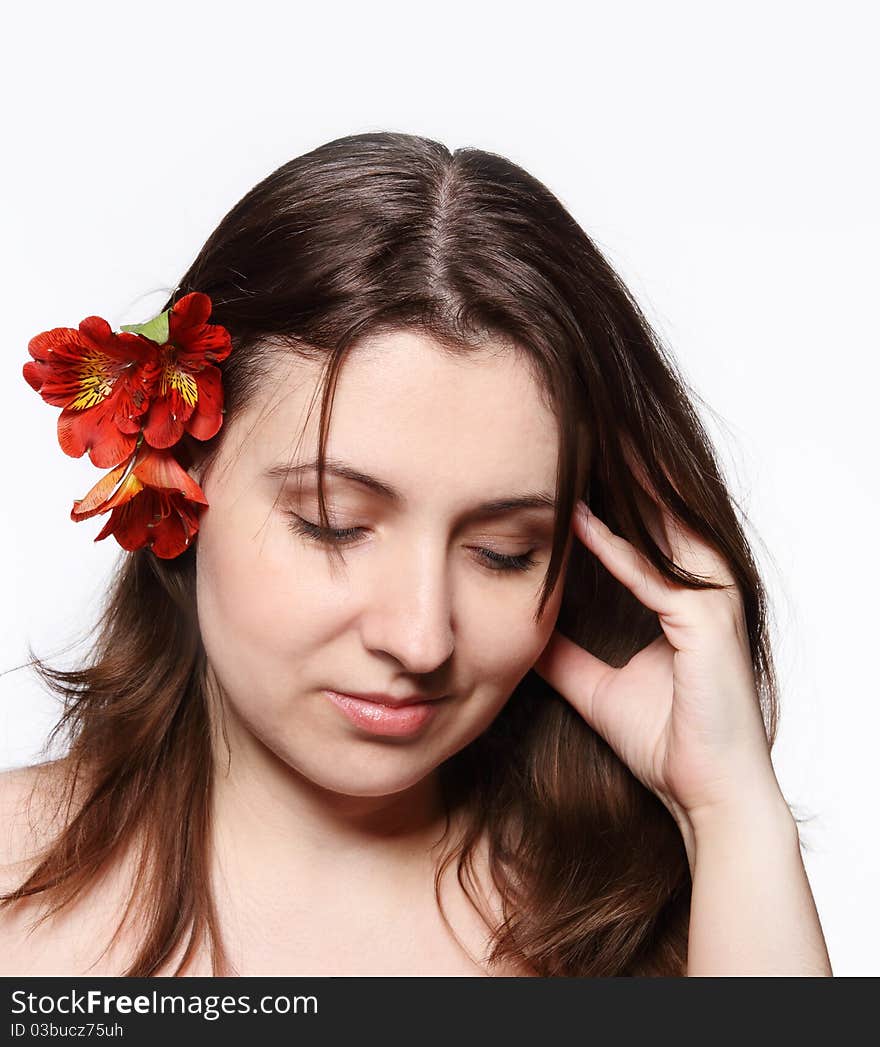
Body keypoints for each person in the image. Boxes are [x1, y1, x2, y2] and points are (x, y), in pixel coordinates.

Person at [0, 131, 832, 977]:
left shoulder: (673, 928)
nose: (422, 638)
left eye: (505, 552)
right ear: (180, 475)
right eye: (334, 523)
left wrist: (727, 808)